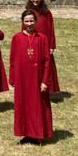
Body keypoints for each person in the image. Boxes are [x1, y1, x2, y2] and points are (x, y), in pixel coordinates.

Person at [9, 10, 54, 143]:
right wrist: (12, 78)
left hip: (37, 79)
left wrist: (45, 81)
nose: (29, 24)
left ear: (35, 21)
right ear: (23, 22)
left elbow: (47, 61)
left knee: (37, 106)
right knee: (23, 106)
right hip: (22, 79)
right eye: (26, 21)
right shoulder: (16, 38)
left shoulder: (42, 38)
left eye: (31, 21)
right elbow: (13, 60)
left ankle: (37, 133)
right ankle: (25, 133)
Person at [26, 0, 60, 93]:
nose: (35, 0)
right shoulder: (28, 12)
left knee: (46, 65)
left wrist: (52, 46)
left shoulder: (47, 13)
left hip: (44, 42)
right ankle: (33, 87)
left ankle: (47, 88)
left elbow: (51, 29)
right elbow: (24, 27)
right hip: (32, 41)